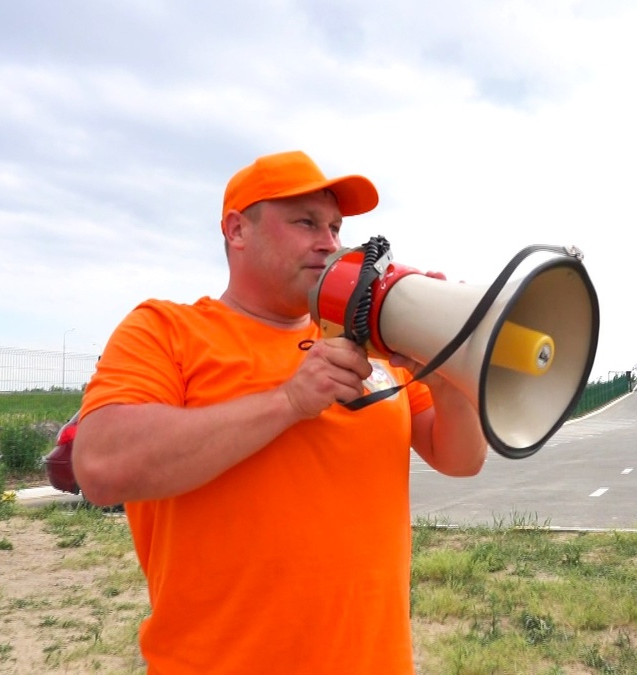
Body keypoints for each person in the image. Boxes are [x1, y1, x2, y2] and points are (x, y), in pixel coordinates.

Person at [72, 150, 488, 674]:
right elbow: (102, 468)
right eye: (305, 222)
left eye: (335, 227)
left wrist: (446, 372)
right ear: (237, 230)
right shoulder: (165, 330)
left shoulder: (373, 338)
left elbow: (461, 459)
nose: (330, 243)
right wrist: (288, 402)